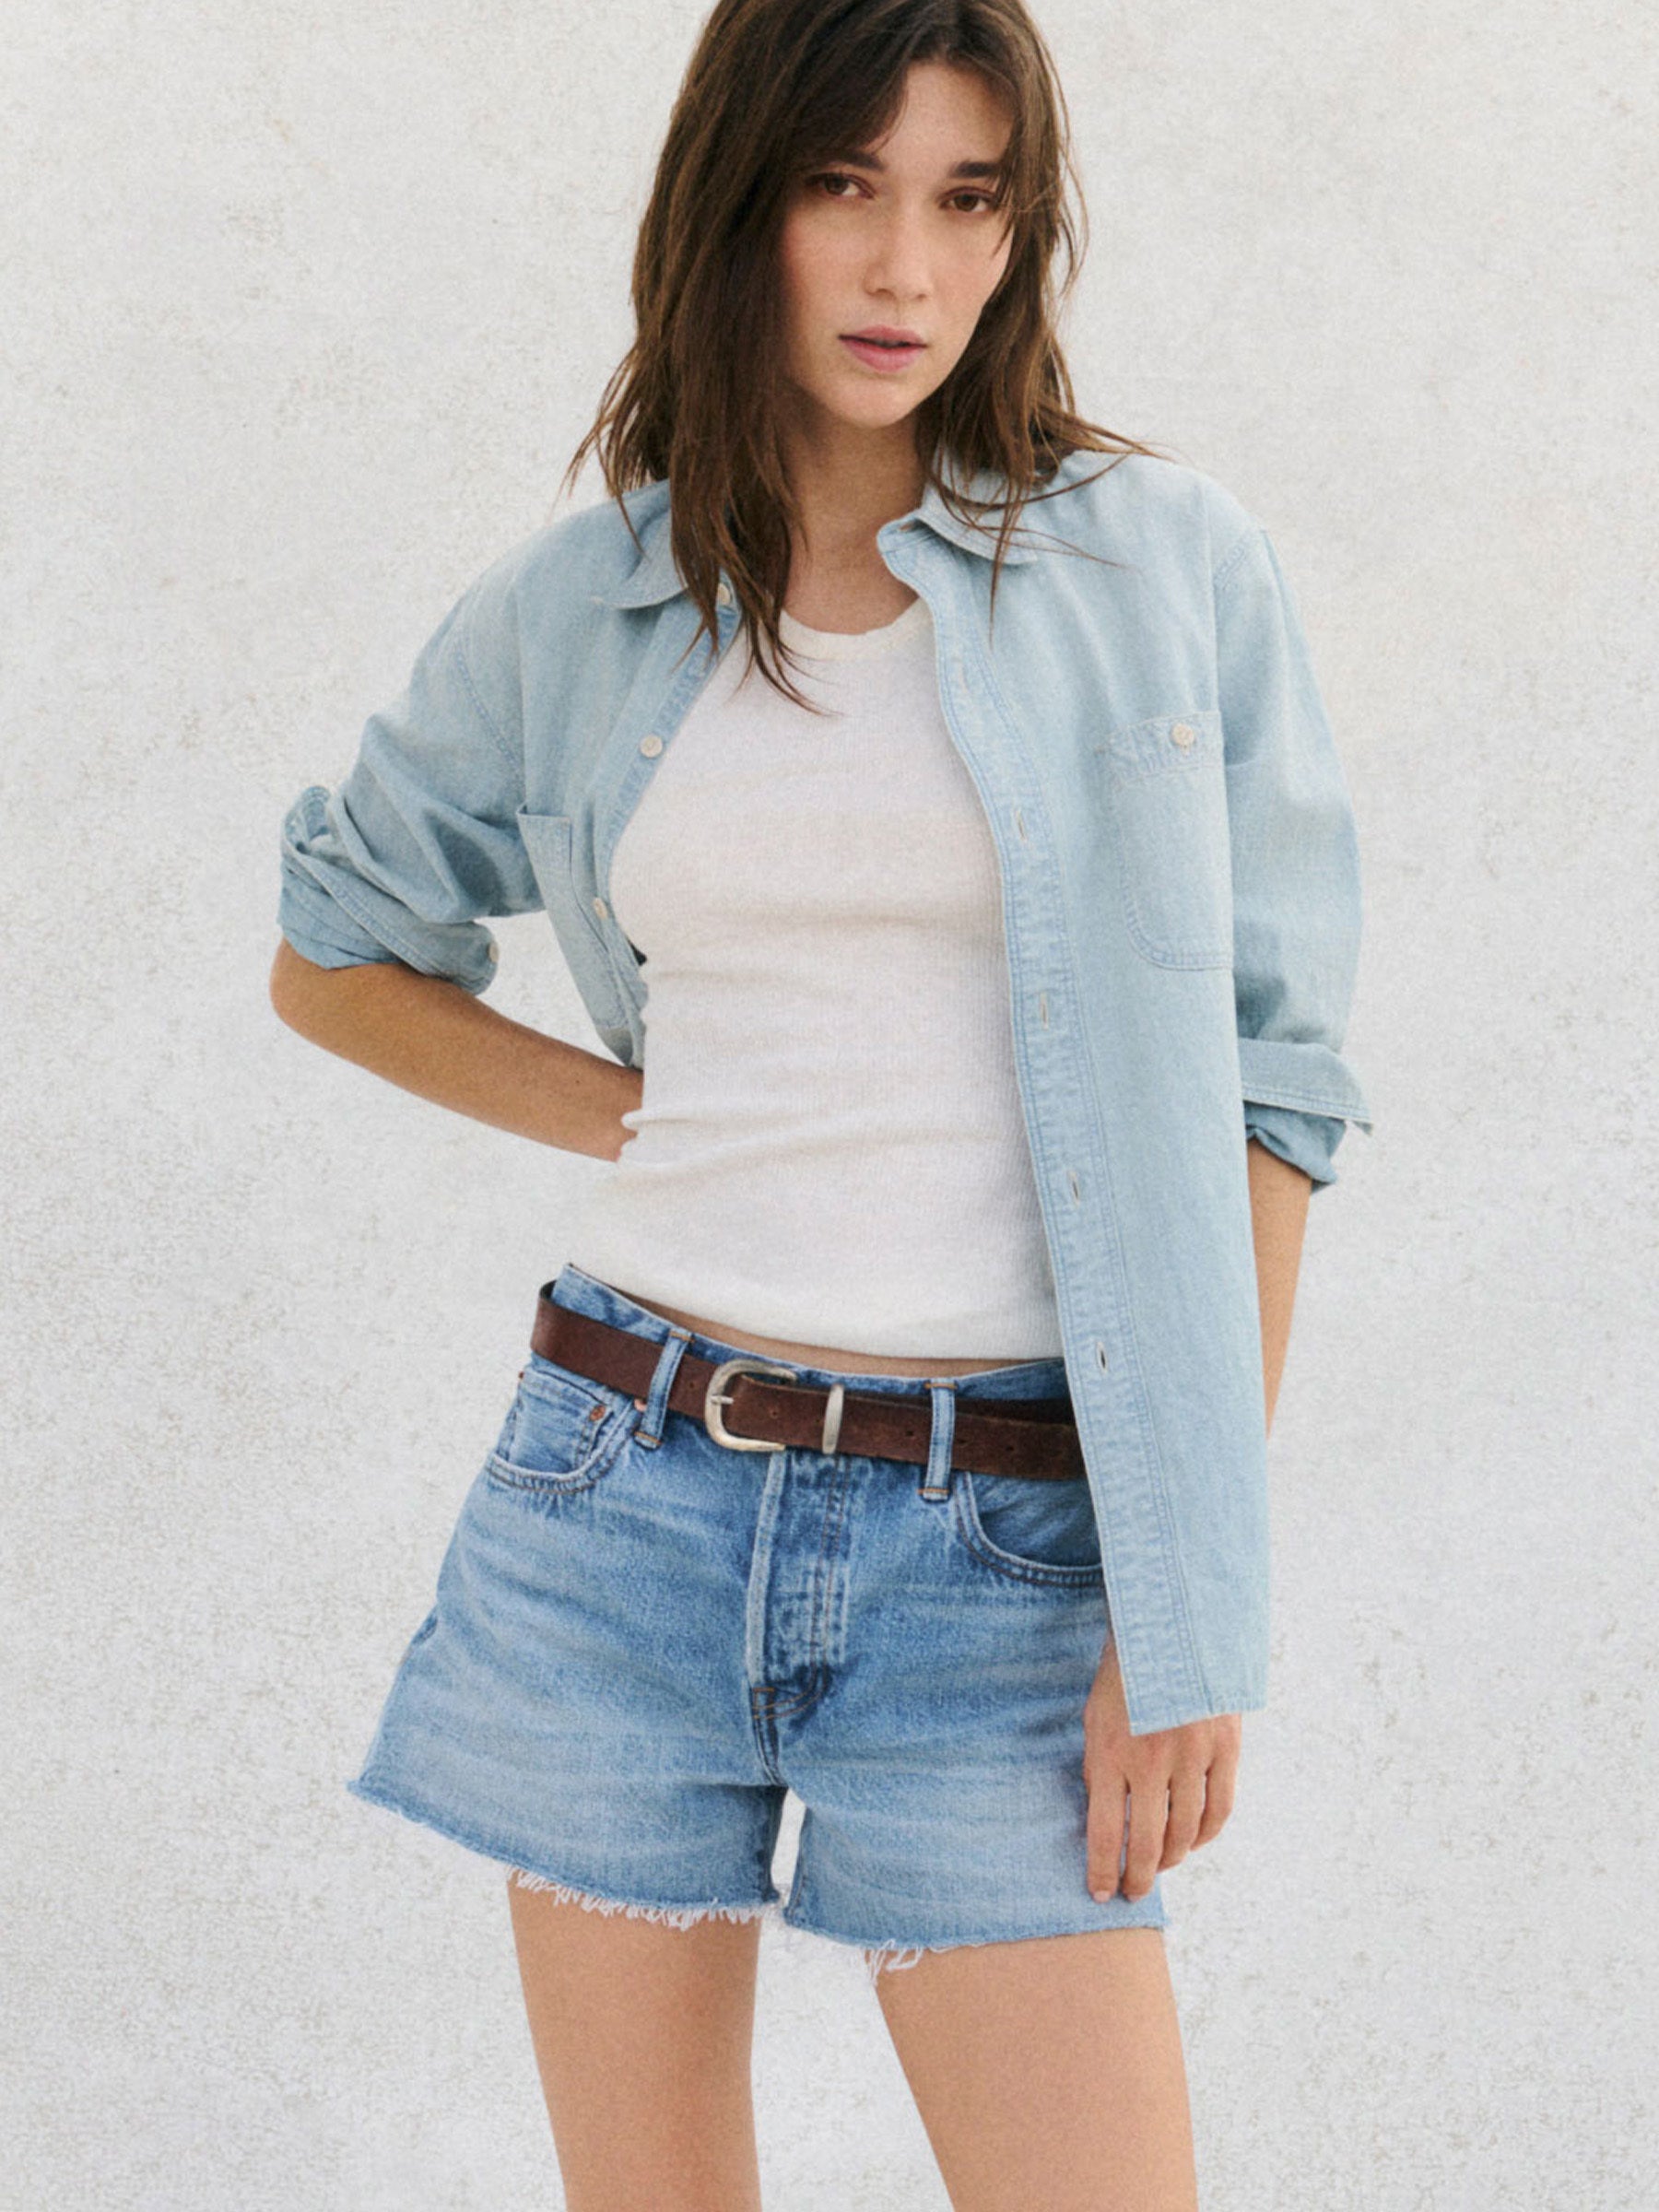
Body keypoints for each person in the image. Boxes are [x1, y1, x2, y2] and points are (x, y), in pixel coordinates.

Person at [269, 2, 1372, 2204]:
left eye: (968, 200)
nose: (904, 270)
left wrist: (1187, 1603)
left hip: (1011, 1544)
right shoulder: (589, 604)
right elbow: (335, 955)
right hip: (618, 1501)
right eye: (843, 187)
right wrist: (643, 1118)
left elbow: (1274, 1093)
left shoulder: (1164, 573)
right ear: (738, 204)